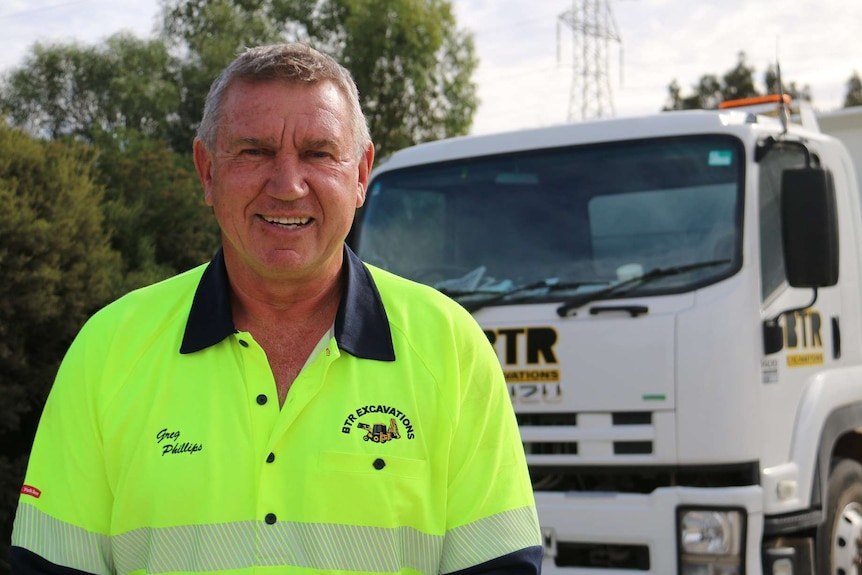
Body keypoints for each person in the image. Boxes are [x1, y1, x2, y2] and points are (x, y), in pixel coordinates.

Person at [10, 43, 542, 575]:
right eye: (254, 152)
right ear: (207, 171)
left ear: (360, 174)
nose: (287, 186)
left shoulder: (449, 346)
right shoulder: (108, 349)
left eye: (317, 153)